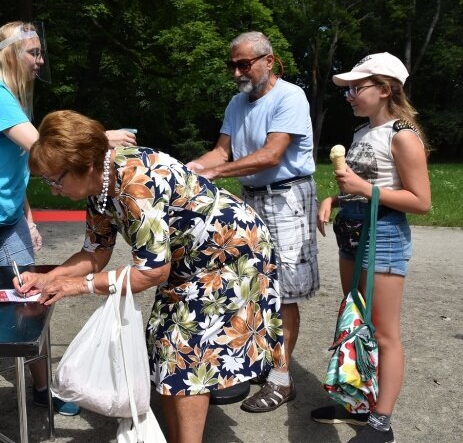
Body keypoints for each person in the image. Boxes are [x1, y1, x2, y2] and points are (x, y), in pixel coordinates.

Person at [17, 110, 284, 443]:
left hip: (229, 255)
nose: (53, 190)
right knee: (165, 348)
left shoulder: (135, 182)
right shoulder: (98, 187)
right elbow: (95, 252)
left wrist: (80, 286)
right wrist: (51, 277)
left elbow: (152, 272)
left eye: (56, 179)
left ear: (84, 165)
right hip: (188, 261)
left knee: (186, 353)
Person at [0, 21, 136, 431]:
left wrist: (27, 217)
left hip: (8, 216)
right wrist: (102, 137)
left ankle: (42, 387)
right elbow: (43, 148)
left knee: (32, 297)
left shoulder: (14, 100)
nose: (40, 60)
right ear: (11, 53)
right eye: (34, 52)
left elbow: (21, 167)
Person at [186, 30, 319, 412]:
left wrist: (218, 172)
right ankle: (251, 364)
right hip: (251, 198)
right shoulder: (236, 102)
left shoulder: (290, 96)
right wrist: (188, 169)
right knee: (250, 284)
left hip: (287, 197)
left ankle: (281, 379)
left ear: (268, 61)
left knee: (286, 290)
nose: (237, 72)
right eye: (233, 65)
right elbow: (220, 151)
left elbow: (271, 155)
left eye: (243, 64)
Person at [310, 53, 431, 443]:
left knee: (383, 333)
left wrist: (363, 190)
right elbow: (361, 191)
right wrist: (335, 200)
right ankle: (357, 403)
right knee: (355, 322)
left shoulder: (403, 135)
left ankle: (381, 421)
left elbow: (421, 202)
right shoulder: (363, 134)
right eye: (348, 90)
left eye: (355, 88)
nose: (349, 96)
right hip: (352, 233)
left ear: (384, 89)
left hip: (384, 236)